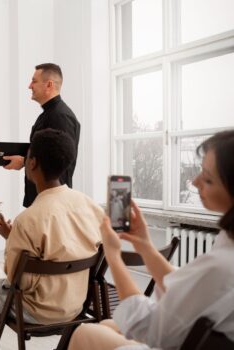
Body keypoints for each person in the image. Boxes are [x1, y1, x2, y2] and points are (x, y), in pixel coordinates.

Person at [0, 129, 103, 350]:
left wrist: (14, 240)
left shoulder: (29, 219)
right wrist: (13, 237)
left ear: (31, 163)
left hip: (35, 310)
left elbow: (15, 282)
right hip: (74, 306)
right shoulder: (90, 206)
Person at [68, 130, 234, 350]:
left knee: (85, 332)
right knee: (108, 323)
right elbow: (186, 290)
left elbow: (147, 328)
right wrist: (144, 245)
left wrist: (113, 257)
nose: (194, 182)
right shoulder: (226, 243)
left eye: (208, 178)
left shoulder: (222, 264)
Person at [4, 63, 80, 207]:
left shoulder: (60, 116)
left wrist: (23, 161)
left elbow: (57, 162)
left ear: (49, 85)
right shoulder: (49, 114)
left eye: (34, 81)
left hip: (52, 205)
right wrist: (24, 158)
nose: (29, 86)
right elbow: (45, 153)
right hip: (43, 201)